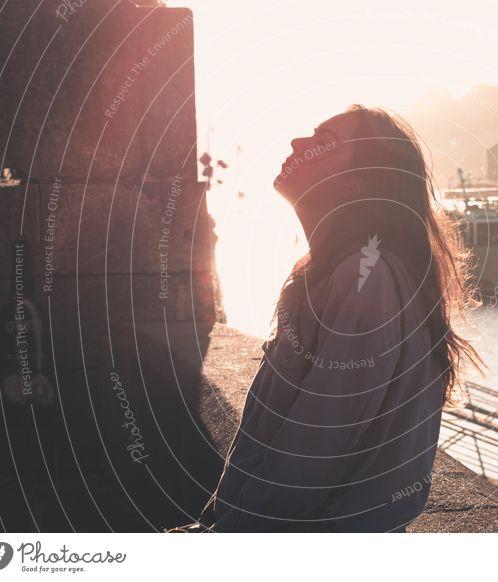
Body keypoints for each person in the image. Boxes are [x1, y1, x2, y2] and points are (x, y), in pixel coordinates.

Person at [190, 105, 482, 532]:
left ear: (355, 182)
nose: (298, 144)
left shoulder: (366, 279)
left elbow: (317, 445)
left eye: (324, 142)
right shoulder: (338, 269)